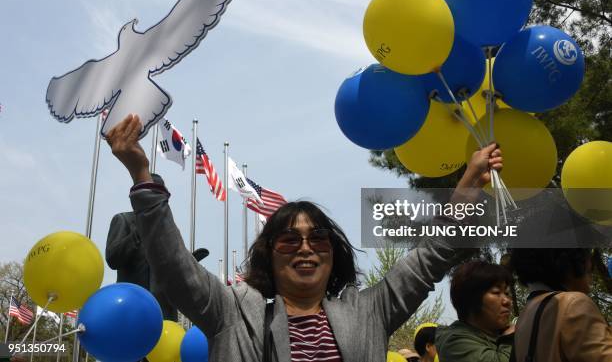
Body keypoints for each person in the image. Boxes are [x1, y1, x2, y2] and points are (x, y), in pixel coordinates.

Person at [106, 114, 502, 362]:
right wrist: (142, 176)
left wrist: (468, 182)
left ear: (334, 253)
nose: (306, 248)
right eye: (289, 241)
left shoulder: (370, 313)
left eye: (319, 238)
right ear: (269, 255)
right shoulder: (231, 312)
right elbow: (174, 268)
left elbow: (431, 256)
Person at [105, 173, 210, 321]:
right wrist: (138, 233)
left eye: (163, 196)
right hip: (132, 309)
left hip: (164, 313)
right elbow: (113, 259)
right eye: (156, 194)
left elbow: (173, 268)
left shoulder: (168, 229)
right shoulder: (123, 220)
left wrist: (190, 260)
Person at [510, 248, 612, 361]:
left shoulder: (525, 316)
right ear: (572, 259)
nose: (591, 263)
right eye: (588, 252)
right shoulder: (574, 304)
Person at [436, 261, 514, 362]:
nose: (507, 301)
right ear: (471, 299)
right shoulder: (455, 343)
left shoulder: (500, 333)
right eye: (496, 292)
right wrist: (509, 339)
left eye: (507, 293)